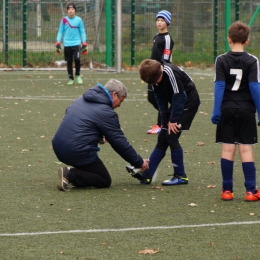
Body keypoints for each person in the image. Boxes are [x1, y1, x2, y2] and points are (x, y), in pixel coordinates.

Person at [52, 79, 149, 191]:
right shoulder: (107, 112)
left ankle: (76, 177)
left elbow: (79, 123)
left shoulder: (80, 100)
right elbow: (119, 142)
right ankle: (70, 174)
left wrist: (97, 136)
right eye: (120, 101)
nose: (119, 105)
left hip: (58, 146)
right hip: (76, 151)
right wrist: (139, 162)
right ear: (114, 95)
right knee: (104, 179)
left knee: (91, 170)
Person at [211, 21, 260, 202]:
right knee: (246, 150)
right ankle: (250, 191)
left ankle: (227, 190)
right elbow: (255, 87)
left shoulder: (221, 60)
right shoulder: (252, 60)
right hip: (247, 110)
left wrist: (216, 111)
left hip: (227, 109)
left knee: (228, 149)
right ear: (247, 41)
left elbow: (220, 85)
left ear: (229, 39)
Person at [131, 59, 200, 186]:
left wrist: (173, 120)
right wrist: (164, 120)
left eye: (154, 82)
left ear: (160, 74)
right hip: (176, 103)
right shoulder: (155, 79)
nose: (153, 85)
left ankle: (181, 176)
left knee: (171, 136)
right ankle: (147, 174)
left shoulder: (170, 72)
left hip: (188, 103)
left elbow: (180, 96)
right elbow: (161, 100)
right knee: (163, 138)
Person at [147, 10, 174, 135]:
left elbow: (166, 57)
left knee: (160, 99)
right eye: (158, 20)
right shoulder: (156, 37)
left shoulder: (167, 38)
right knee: (151, 98)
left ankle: (160, 124)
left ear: (167, 22)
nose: (159, 22)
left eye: (162, 20)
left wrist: (161, 71)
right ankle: (168, 116)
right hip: (152, 72)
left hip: (160, 73)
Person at [56, 2, 87, 86]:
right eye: (69, 9)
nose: (71, 11)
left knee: (77, 59)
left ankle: (78, 75)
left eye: (72, 9)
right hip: (67, 44)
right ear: (67, 11)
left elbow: (82, 31)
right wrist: (58, 41)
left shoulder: (79, 20)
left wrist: (84, 42)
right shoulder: (64, 20)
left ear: (75, 10)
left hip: (76, 43)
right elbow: (60, 31)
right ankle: (71, 78)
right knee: (69, 62)